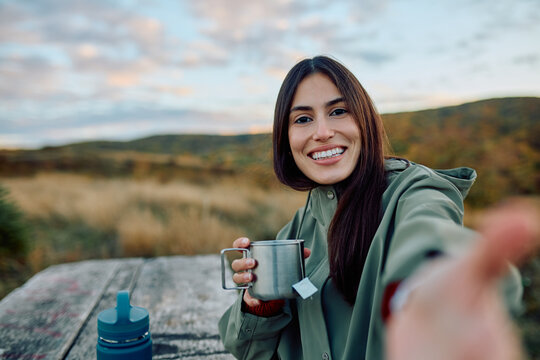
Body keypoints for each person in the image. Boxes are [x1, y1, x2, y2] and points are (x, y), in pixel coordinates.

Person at [218, 55, 539, 360]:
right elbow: (245, 351)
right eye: (303, 119)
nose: (322, 132)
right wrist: (261, 304)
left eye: (339, 111)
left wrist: (429, 286)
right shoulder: (297, 228)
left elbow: (428, 235)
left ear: (365, 118)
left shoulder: (414, 191)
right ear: (285, 137)